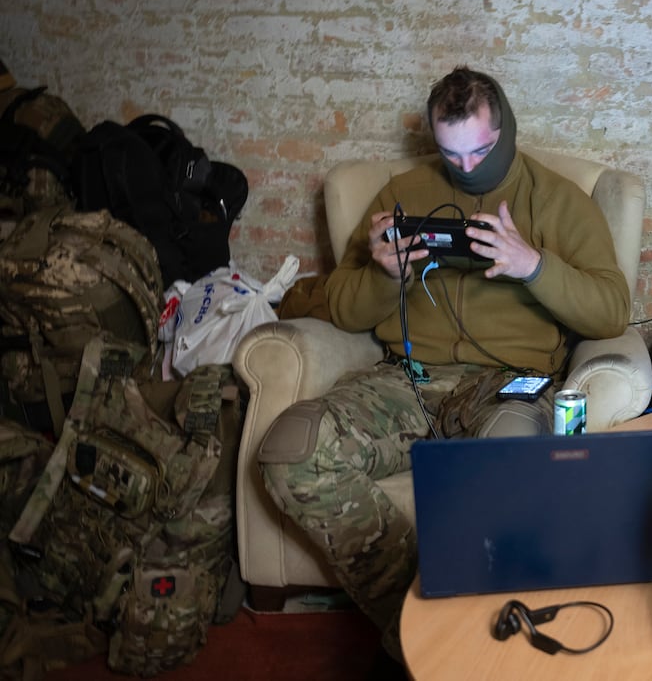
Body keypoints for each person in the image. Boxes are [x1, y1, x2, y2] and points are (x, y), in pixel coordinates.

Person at [257, 67, 630, 656]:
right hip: (406, 380)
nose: (466, 167)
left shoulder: (558, 201)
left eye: (481, 149)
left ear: (505, 128)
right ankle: (417, 625)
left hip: (506, 384)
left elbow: (612, 311)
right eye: (450, 153)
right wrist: (387, 276)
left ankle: (460, 636)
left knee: (508, 466)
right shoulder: (403, 193)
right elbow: (347, 310)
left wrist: (532, 265)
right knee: (290, 447)